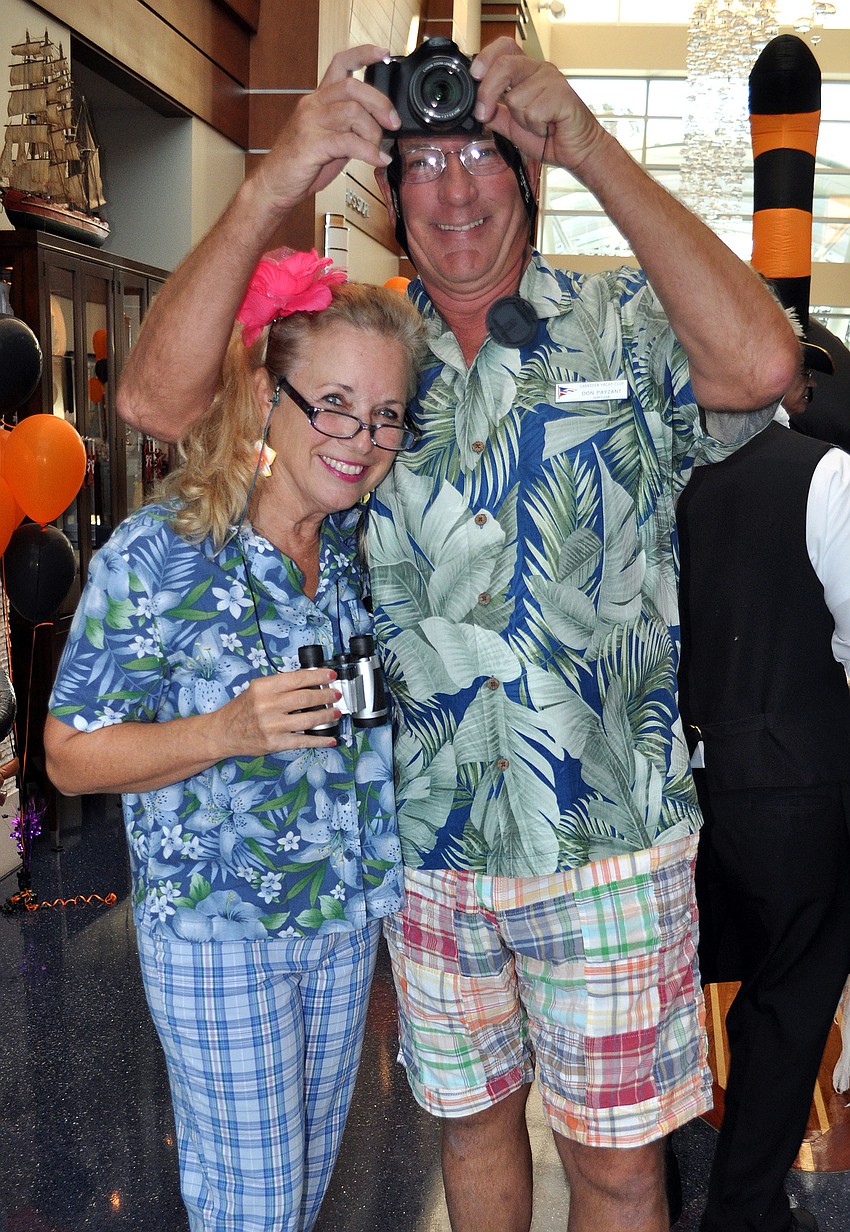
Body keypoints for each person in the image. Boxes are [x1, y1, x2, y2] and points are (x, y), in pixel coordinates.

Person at [115, 37, 801, 1232]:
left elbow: (763, 361)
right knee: (471, 1133)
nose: (454, 190)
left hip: (610, 841)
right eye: (421, 163)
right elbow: (154, 402)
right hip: (427, 844)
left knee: (617, 1167)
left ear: (523, 168)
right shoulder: (358, 355)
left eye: (478, 153)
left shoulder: (620, 320)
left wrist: (590, 143)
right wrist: (276, 178)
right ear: (388, 194)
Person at [43, 256, 426, 1232]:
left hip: (342, 923)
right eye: (334, 405)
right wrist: (223, 731)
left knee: (296, 1196)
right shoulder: (164, 552)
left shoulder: (357, 547)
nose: (362, 440)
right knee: (254, 1208)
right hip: (220, 934)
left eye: (385, 415)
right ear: (266, 396)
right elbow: (68, 754)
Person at [676, 363, 850, 1232]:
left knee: (677, 983)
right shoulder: (824, 475)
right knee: (793, 988)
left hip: (671, 782)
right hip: (795, 777)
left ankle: (655, 1188)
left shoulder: (654, 479)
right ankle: (743, 1209)